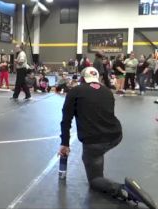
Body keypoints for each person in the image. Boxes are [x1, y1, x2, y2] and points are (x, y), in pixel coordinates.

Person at [59, 67, 157, 209]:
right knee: (98, 152)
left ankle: (122, 189)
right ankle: (98, 162)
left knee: (95, 180)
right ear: (97, 78)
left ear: (81, 79)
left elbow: (66, 120)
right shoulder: (107, 91)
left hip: (94, 143)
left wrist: (65, 144)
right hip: (115, 135)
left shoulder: (75, 91)